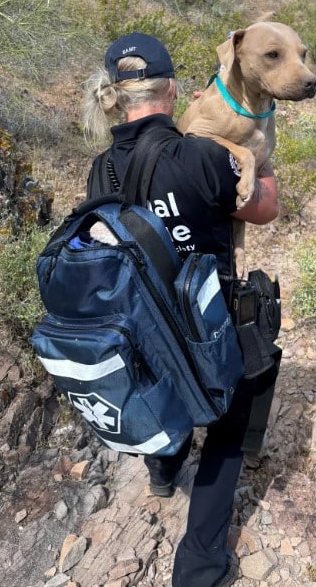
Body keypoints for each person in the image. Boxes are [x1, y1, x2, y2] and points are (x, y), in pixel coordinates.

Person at [83, 32, 279, 587]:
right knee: (226, 428)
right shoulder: (202, 154)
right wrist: (262, 162)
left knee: (159, 392)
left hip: (141, 324)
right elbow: (265, 208)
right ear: (173, 91)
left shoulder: (103, 168)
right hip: (209, 323)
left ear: (117, 98)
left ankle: (164, 472)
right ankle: (198, 565)